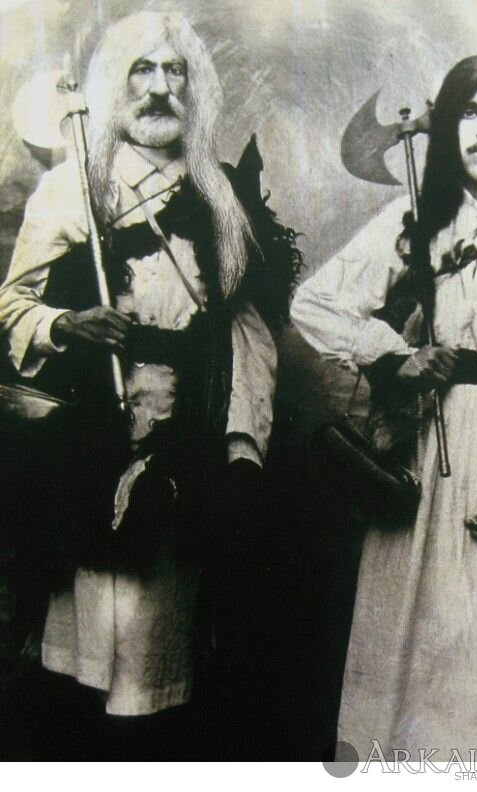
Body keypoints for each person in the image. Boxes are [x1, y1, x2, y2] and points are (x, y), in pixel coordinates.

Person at [0, 11, 299, 758]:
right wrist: (67, 325)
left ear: (195, 89)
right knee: (81, 667)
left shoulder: (220, 194)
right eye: (142, 69)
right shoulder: (73, 187)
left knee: (160, 667)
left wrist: (241, 448)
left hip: (184, 451)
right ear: (114, 82)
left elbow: (248, 332)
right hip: (89, 446)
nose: (160, 87)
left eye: (175, 71)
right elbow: (13, 305)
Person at [291, 53, 477, 760]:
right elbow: (315, 303)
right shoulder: (416, 222)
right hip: (418, 458)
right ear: (446, 128)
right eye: (468, 113)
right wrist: (394, 354)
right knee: (395, 647)